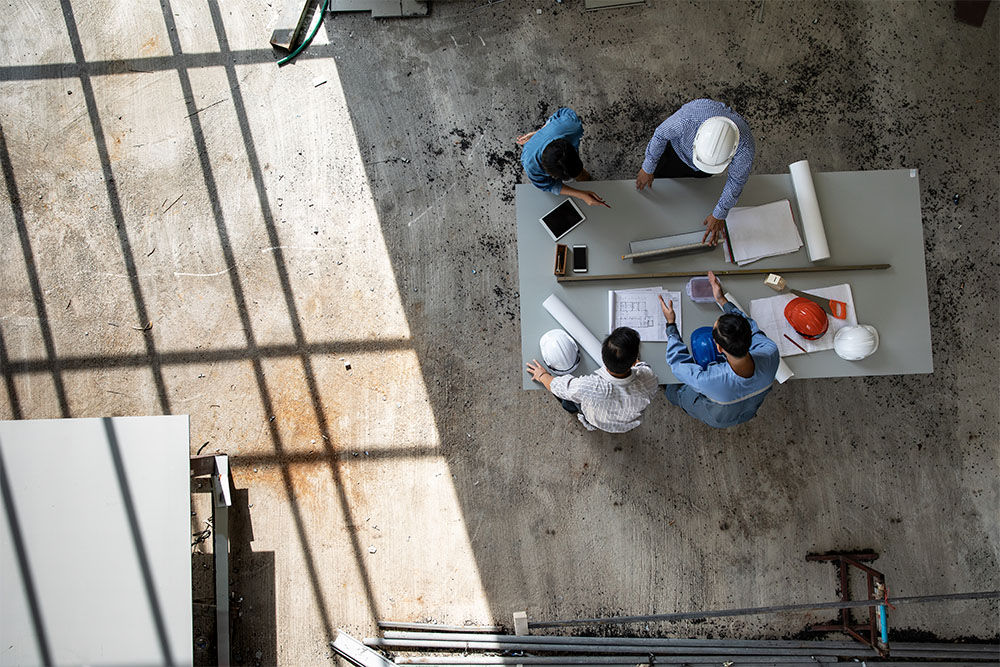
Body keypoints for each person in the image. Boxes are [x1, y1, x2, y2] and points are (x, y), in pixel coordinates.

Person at [658, 271, 778, 428]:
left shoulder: (709, 380)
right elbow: (750, 325)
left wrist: (671, 325)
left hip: (718, 416)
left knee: (678, 392)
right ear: (750, 338)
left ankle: (671, 394)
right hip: (747, 410)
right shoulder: (770, 352)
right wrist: (722, 300)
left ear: (719, 347)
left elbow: (677, 364)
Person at [635, 99, 755, 245]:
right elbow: (661, 134)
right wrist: (648, 167)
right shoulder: (690, 117)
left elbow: (736, 181)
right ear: (697, 138)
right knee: (658, 184)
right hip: (674, 153)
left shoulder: (745, 148)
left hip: (700, 172)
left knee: (692, 193)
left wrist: (719, 214)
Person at [526, 327, 658, 433]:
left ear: (603, 358)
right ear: (634, 360)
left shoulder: (591, 386)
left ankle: (574, 411)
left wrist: (542, 375)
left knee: (570, 401)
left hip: (596, 420)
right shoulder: (648, 379)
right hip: (626, 424)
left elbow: (559, 387)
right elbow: (643, 367)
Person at [517, 107, 610, 208]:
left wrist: (540, 132)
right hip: (534, 150)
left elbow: (562, 112)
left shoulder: (571, 125)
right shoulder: (531, 166)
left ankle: (583, 177)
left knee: (580, 175)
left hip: (553, 136)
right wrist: (581, 195)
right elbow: (548, 185)